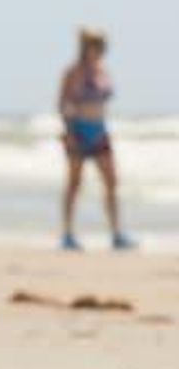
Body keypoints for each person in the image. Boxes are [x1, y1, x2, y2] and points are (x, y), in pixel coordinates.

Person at [57, 27, 134, 251]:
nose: (99, 51)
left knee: (111, 182)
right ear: (85, 47)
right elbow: (62, 104)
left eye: (102, 46)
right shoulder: (73, 72)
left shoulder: (102, 71)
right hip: (78, 130)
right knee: (74, 184)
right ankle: (68, 233)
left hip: (99, 130)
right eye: (96, 46)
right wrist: (69, 132)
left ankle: (117, 232)